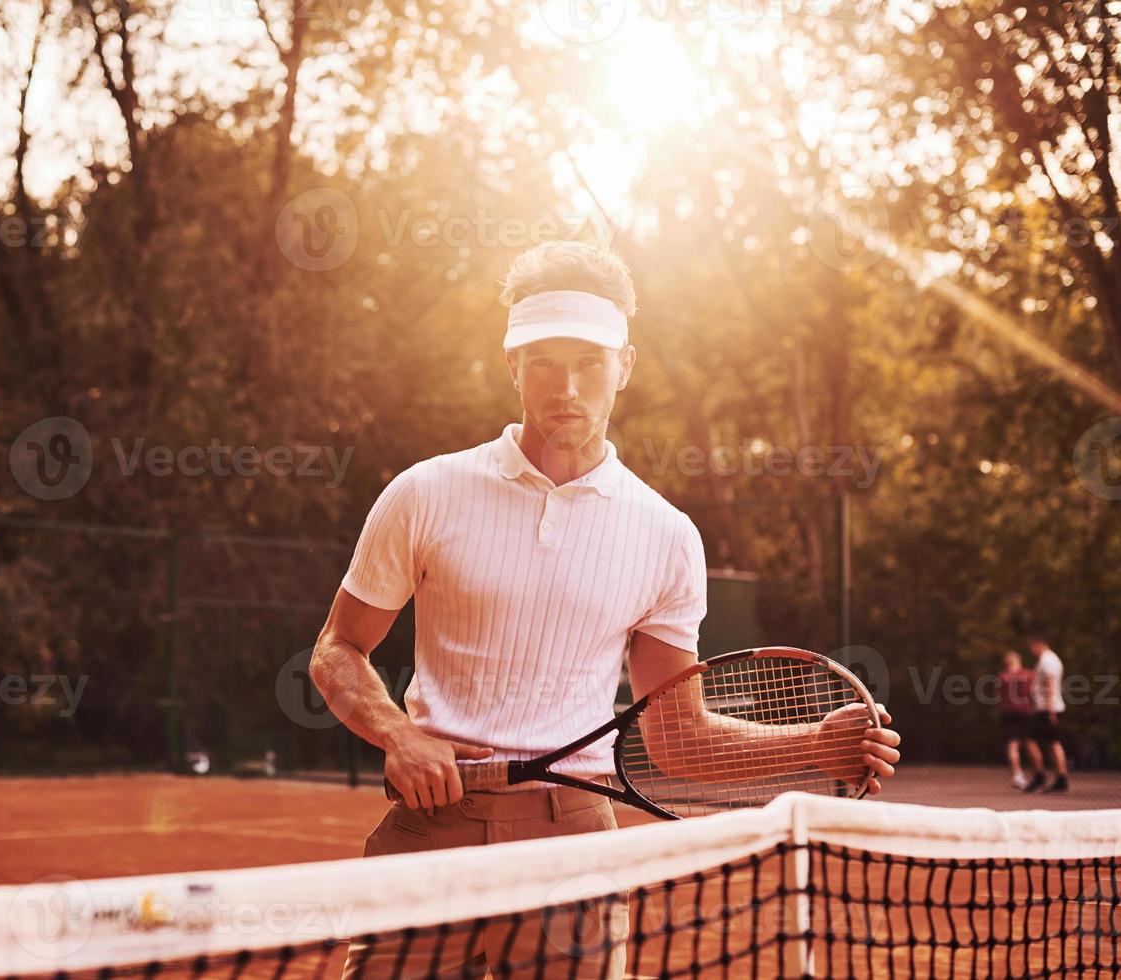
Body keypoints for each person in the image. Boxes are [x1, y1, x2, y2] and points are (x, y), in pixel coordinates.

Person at [308, 241, 903, 978]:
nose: (567, 386)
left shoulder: (666, 535)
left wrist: (813, 745)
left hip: (576, 846)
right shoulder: (425, 493)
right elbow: (338, 648)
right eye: (545, 361)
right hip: (432, 829)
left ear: (625, 365)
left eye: (590, 362)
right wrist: (399, 735)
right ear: (512, 365)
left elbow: (677, 738)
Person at [1023, 633, 1069, 793]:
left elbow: (1050, 684)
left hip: (1048, 709)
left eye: (1032, 647)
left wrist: (1050, 710)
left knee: (1030, 739)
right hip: (1047, 708)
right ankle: (1061, 777)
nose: (1031, 651)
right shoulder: (1046, 659)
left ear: (1038, 644)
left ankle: (1040, 774)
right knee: (1052, 742)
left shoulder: (1048, 660)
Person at [998, 650, 1041, 789]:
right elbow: (1035, 693)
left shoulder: (1003, 676)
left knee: (1012, 745)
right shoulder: (1029, 675)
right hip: (1026, 712)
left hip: (1009, 712)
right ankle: (1038, 773)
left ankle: (1017, 774)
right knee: (1030, 743)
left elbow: (998, 694)